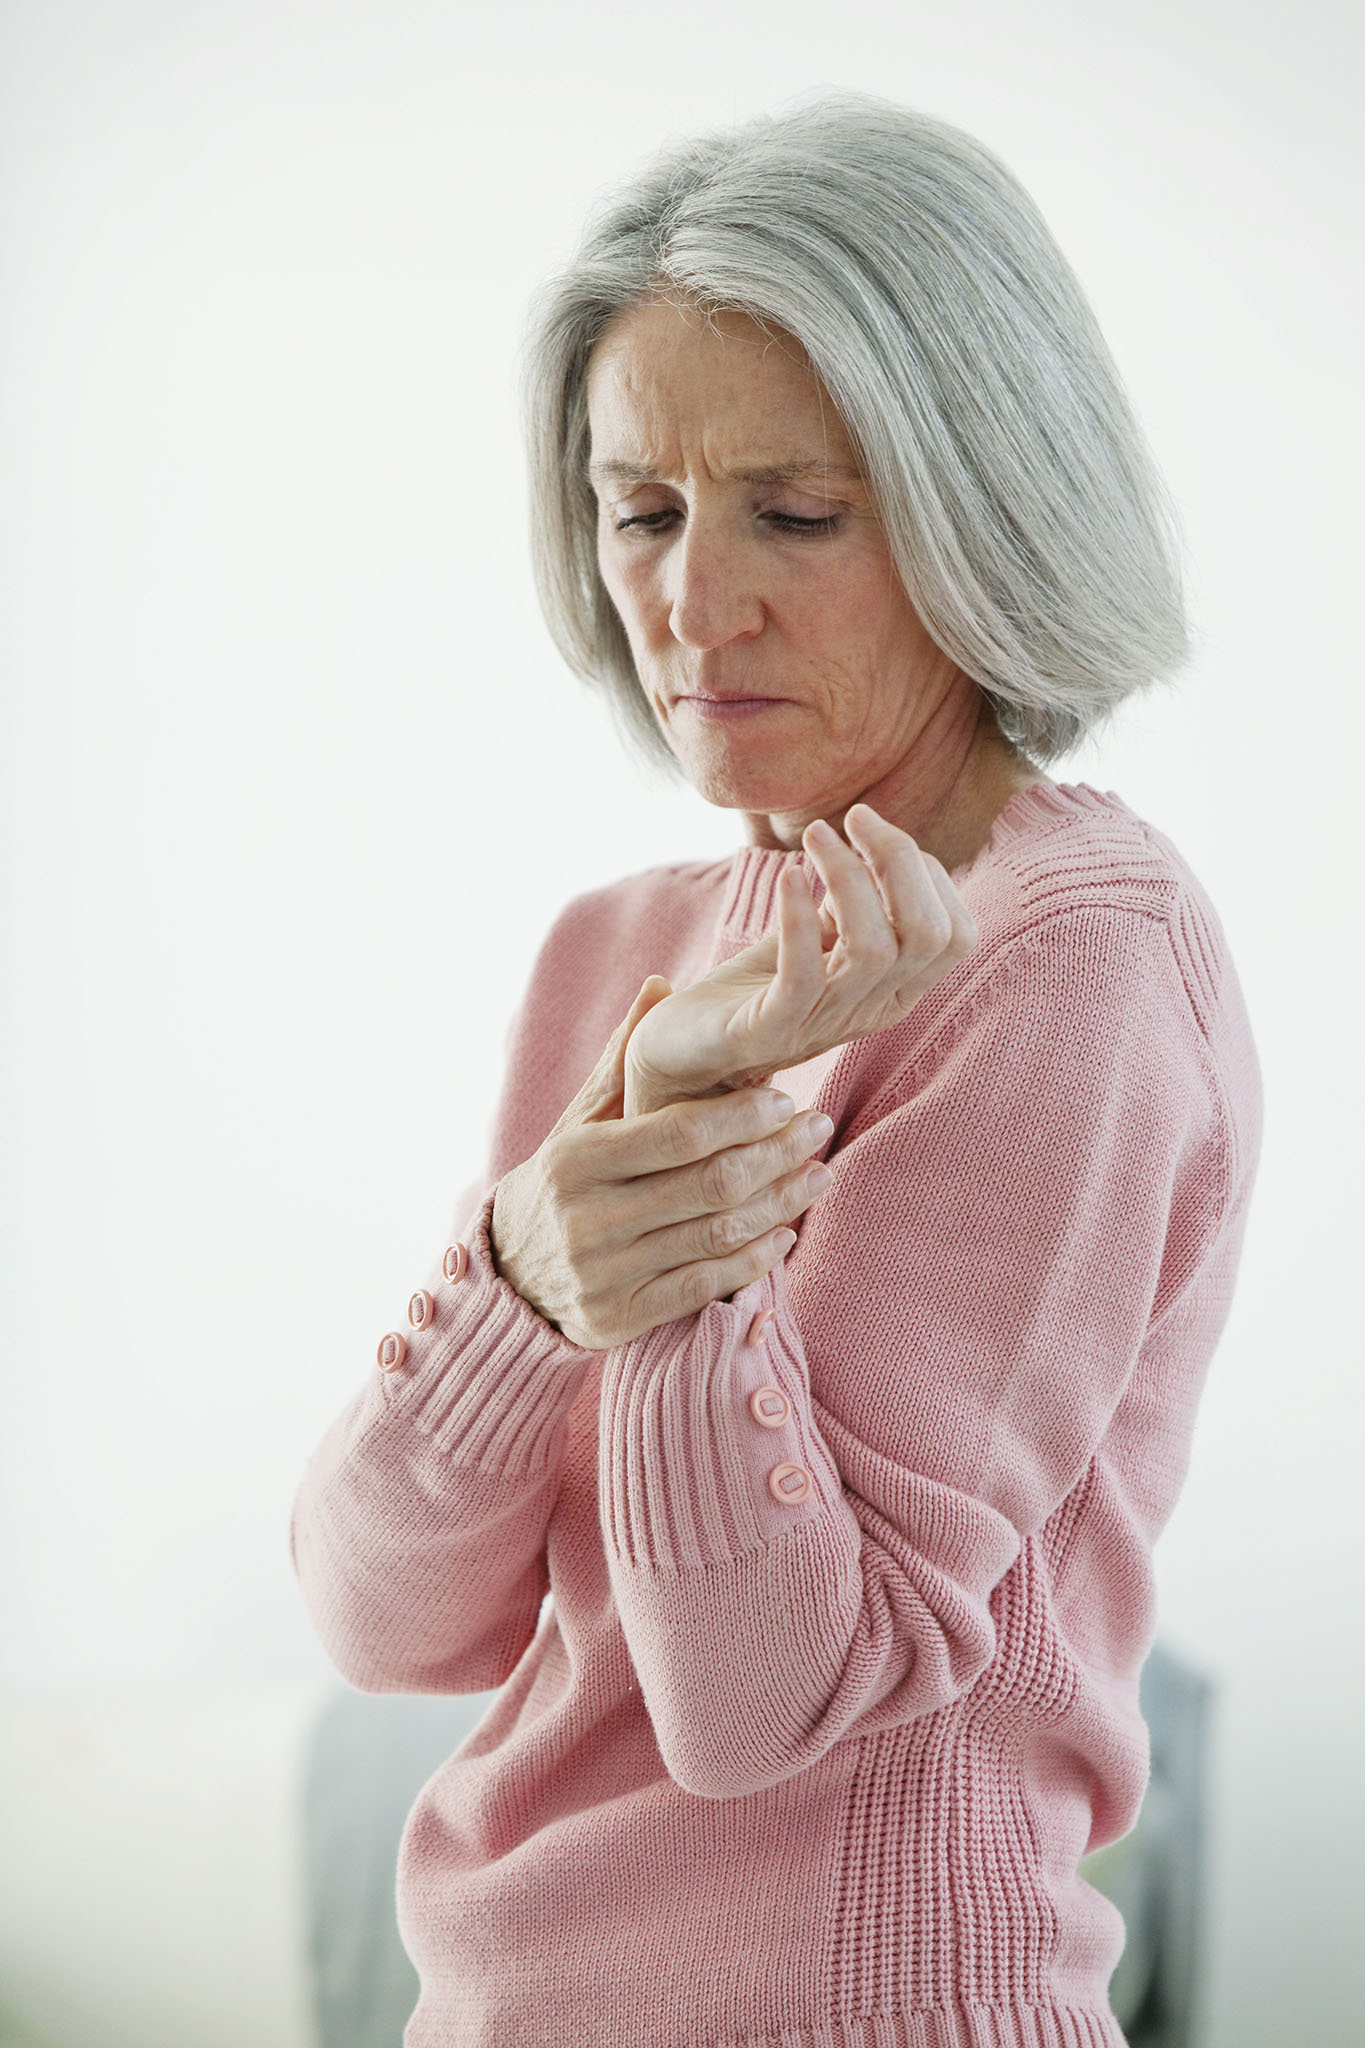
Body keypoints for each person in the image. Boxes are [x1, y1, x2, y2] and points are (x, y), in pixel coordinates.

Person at [290, 90, 1263, 2048]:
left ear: (980, 502)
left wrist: (683, 1166)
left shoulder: (1070, 954)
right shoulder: (622, 953)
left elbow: (760, 1698)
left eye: (791, 514)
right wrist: (528, 1280)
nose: (686, 600)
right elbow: (378, 1617)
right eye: (638, 509)